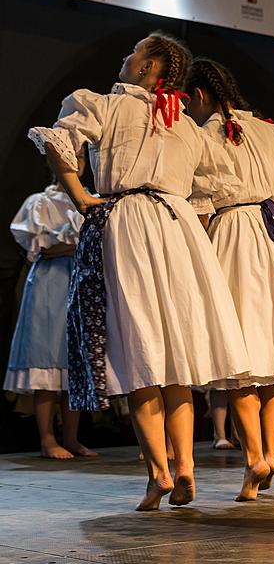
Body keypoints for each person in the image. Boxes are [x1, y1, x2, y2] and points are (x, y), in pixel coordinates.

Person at [27, 31, 250, 510]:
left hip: (129, 220)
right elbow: (209, 190)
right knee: (176, 358)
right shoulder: (187, 126)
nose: (125, 58)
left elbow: (57, 141)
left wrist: (82, 196)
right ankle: (186, 466)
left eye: (134, 53)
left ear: (149, 68)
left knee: (140, 351)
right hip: (179, 227)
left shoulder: (106, 106)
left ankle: (159, 474)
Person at [182, 57, 274, 499]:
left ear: (200, 96)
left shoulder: (202, 136)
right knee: (271, 356)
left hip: (233, 235)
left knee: (242, 359)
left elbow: (200, 207)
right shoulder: (268, 129)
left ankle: (255, 460)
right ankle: (272, 455)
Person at [4, 182, 96, 459]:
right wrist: (72, 247)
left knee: (72, 362)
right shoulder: (40, 202)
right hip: (49, 282)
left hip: (77, 280)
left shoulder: (88, 201)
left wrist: (71, 247)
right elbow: (40, 250)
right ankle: (47, 439)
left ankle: (71, 438)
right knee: (46, 358)